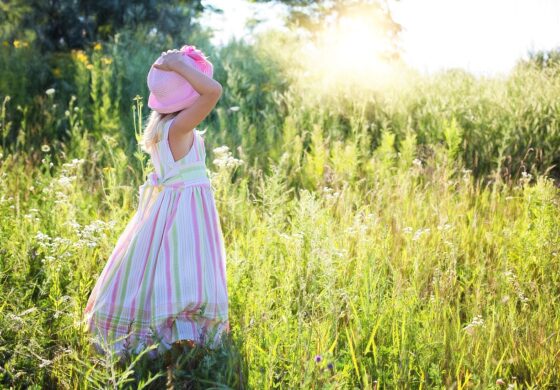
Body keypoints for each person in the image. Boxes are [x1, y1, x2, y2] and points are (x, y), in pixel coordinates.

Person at [82, 45, 229, 362]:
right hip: (185, 212)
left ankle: (169, 331)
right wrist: (178, 63)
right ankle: (182, 333)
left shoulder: (163, 127)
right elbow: (214, 91)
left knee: (155, 268)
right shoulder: (179, 128)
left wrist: (176, 67)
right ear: (188, 93)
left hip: (168, 207)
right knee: (184, 269)